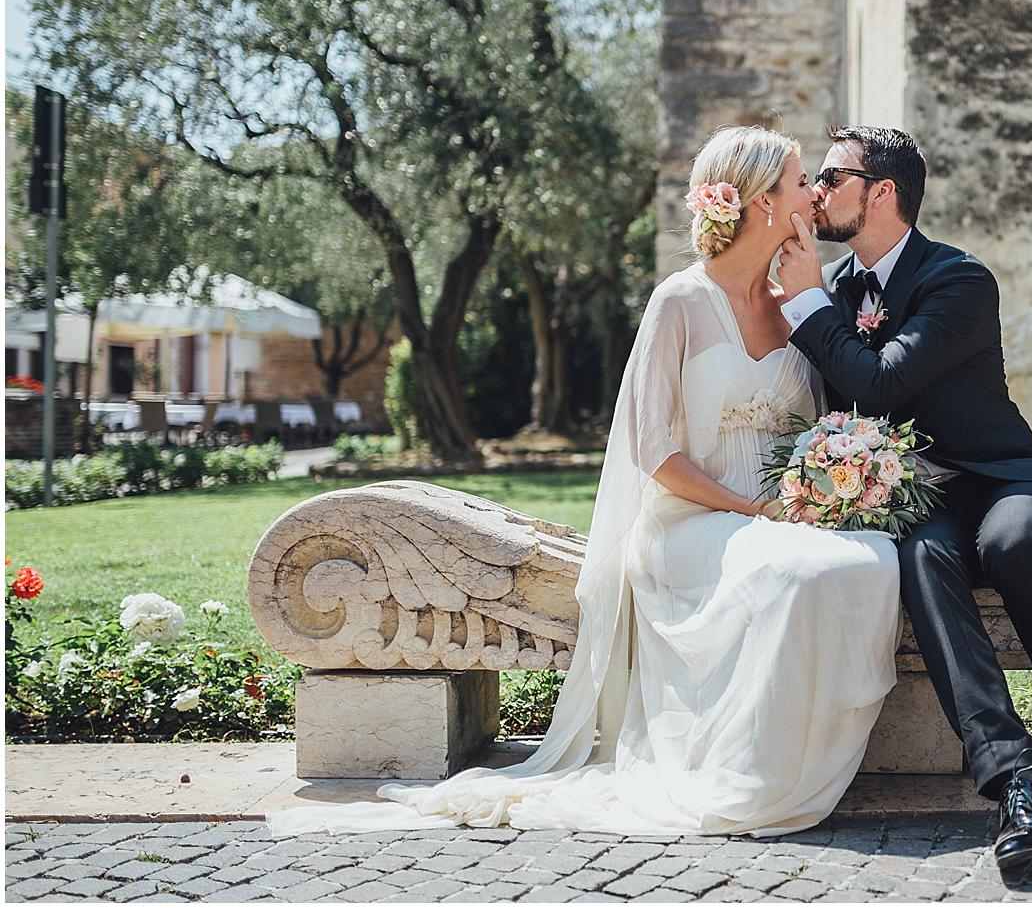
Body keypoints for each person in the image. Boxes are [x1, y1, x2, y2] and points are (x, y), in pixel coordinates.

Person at [266, 126, 901, 838]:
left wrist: (820, 490)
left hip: (774, 519)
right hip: (690, 522)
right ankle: (750, 777)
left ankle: (799, 765)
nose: (813, 195)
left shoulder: (800, 305)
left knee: (870, 559)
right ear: (758, 203)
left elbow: (815, 430)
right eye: (796, 183)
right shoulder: (680, 302)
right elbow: (654, 451)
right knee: (797, 575)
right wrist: (751, 508)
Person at [775, 125, 1032, 869]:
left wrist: (804, 305)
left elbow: (884, 381)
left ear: (883, 192)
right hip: (924, 500)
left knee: (1015, 543)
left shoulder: (959, 280)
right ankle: (1017, 778)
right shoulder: (834, 292)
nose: (817, 193)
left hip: (1006, 476)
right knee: (922, 556)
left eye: (831, 178)